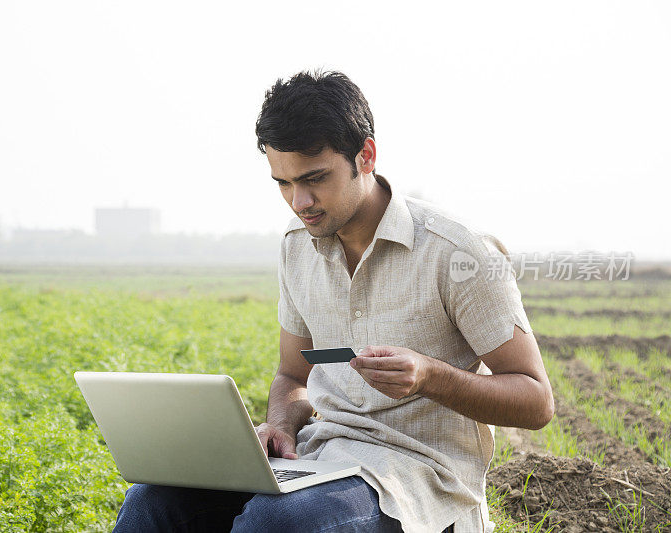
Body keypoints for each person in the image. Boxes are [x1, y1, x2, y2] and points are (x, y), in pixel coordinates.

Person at [112, 70, 554, 533]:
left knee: (276, 522)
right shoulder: (297, 245)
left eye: (315, 178)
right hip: (321, 458)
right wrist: (281, 427)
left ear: (366, 155)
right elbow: (292, 374)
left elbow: (535, 400)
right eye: (283, 183)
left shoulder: (459, 251)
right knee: (152, 501)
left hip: (420, 479)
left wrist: (429, 376)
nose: (299, 201)